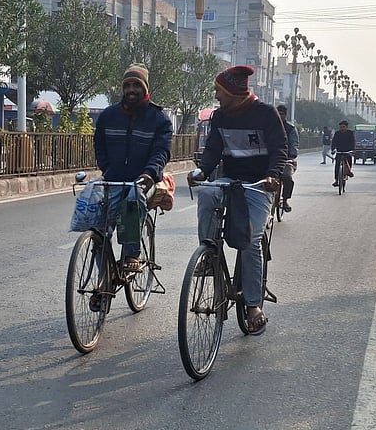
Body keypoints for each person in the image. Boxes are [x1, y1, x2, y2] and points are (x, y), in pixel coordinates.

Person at [189, 65, 286, 334]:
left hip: (258, 185)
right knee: (207, 192)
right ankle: (208, 253)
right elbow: (213, 149)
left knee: (251, 240)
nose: (216, 96)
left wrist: (272, 175)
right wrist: (202, 171)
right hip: (230, 180)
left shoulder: (266, 114)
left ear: (233, 92)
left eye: (219, 91)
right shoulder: (220, 117)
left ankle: (254, 304)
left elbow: (280, 149)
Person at [94, 63, 174, 272]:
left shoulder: (159, 119)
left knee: (132, 199)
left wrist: (149, 173)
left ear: (145, 88)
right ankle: (103, 284)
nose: (131, 90)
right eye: (127, 85)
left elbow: (161, 152)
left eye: (136, 85)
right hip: (113, 179)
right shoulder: (108, 116)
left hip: (143, 181)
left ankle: (131, 254)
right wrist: (106, 169)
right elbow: (100, 146)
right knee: (97, 229)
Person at [276, 105, 299, 212]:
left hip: (286, 159)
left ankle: (285, 200)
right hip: (269, 158)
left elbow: (294, 143)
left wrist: (292, 156)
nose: (280, 116)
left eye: (282, 114)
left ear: (285, 115)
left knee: (287, 178)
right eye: (278, 113)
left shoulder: (291, 129)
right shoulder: (268, 126)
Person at [330, 120, 355, 186]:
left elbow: (353, 142)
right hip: (339, 152)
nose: (342, 128)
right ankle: (336, 180)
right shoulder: (337, 133)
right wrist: (333, 149)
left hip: (347, 152)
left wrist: (353, 150)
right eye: (341, 127)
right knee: (337, 166)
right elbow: (334, 142)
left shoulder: (350, 133)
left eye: (343, 127)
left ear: (346, 127)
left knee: (349, 162)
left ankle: (349, 172)